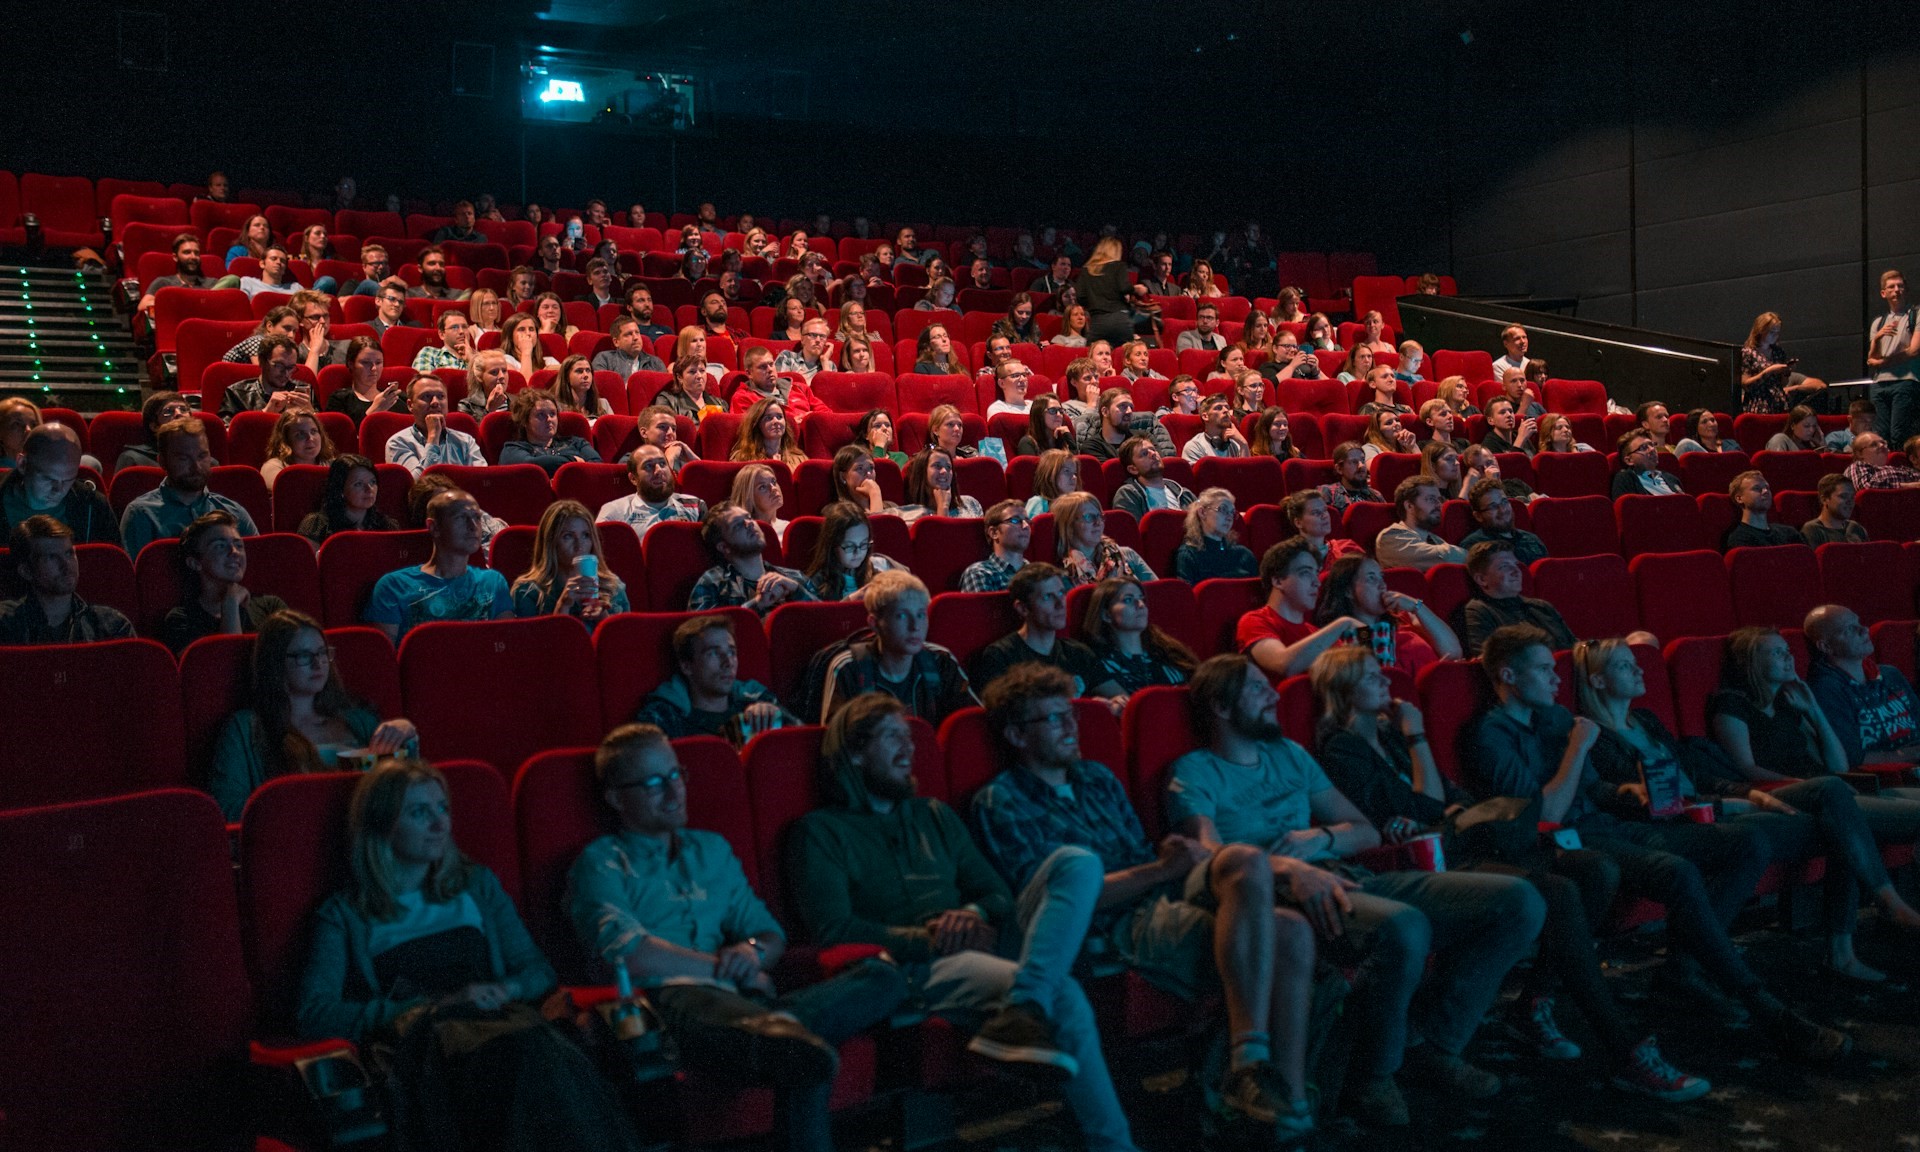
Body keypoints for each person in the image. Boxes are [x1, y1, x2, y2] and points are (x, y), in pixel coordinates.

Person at [1313, 646, 1710, 1100]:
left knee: (1595, 870)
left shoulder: (1389, 734)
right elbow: (1423, 806)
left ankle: (1536, 1002)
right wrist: (1419, 739)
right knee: (1557, 893)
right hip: (1438, 860)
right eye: (1370, 677)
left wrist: (1440, 793)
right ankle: (1624, 1047)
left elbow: (1451, 796)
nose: (1386, 681)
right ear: (1342, 691)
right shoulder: (1343, 748)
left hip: (1472, 840)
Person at [1169, 652, 1550, 1121]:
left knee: (1519, 901)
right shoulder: (1194, 771)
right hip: (1280, 895)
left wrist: (1322, 837)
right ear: (1221, 707)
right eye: (1255, 688)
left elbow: (1365, 831)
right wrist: (1289, 868)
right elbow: (1211, 860)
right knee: (1405, 927)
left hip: (1349, 873)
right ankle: (1375, 1075)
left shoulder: (1290, 755)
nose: (1273, 695)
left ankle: (1435, 1043)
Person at [968, 667, 1326, 1142]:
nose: (1072, 727)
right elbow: (1062, 903)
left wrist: (1172, 861)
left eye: (1071, 715)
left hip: (1160, 891)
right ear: (1016, 735)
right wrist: (1161, 870)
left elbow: (1142, 856)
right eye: (1054, 720)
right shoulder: (1002, 802)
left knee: (1246, 861)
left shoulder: (1095, 777)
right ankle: (1265, 1092)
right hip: (1116, 923)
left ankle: (1279, 1092)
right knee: (1289, 932)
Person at [1466, 625, 1850, 1061]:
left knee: (1745, 841)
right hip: (1561, 844)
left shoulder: (1554, 718)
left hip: (1607, 826)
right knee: (1677, 871)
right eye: (1542, 670)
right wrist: (1577, 748)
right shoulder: (1492, 735)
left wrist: (1630, 793)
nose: (1556, 680)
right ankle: (1765, 1007)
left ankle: (1684, 971)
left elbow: (1593, 792)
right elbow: (1547, 814)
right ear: (1509, 677)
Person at [787, 696, 1147, 1152]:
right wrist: (930, 938)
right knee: (1065, 994)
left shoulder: (933, 814)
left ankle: (1025, 1002)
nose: (909, 749)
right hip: (921, 964)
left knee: (1077, 862)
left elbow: (996, 894)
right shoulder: (819, 832)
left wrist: (973, 915)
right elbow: (834, 930)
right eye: (892, 737)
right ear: (855, 753)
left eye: (910, 737)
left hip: (989, 938)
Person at [570, 725, 906, 1152]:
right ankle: (782, 1036)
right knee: (804, 1057)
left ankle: (780, 1029)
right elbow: (629, 955)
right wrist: (721, 968)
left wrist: (750, 955)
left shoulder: (711, 850)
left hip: (743, 1001)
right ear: (616, 798)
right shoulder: (601, 863)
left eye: (676, 775)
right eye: (654, 783)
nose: (674, 792)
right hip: (672, 1005)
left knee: (883, 975)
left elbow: (768, 935)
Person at [299, 761, 645, 1152]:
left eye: (442, 808)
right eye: (419, 812)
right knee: (531, 1056)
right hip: (428, 1046)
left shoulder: (475, 885)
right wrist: (427, 1007)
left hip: (504, 1024)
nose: (440, 823)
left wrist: (505, 987)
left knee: (538, 1051)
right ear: (381, 826)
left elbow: (537, 971)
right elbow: (315, 1012)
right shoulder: (344, 914)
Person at [1577, 632, 1920, 987]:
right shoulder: (1594, 737)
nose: (1638, 672)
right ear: (1597, 680)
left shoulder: (1645, 721)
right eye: (1624, 666)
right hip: (1695, 821)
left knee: (1837, 806)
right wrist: (1731, 802)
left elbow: (1702, 775)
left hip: (1728, 804)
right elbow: (1649, 803)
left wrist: (1752, 796)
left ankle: (1859, 933)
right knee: (1838, 816)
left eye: (1636, 664)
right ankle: (1854, 937)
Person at [206, 610, 417, 819]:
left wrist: (406, 737)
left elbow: (406, 790)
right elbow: (227, 809)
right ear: (275, 662)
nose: (318, 664)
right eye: (304, 656)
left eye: (322, 653)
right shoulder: (245, 729)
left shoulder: (358, 720)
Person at [816, 570, 976, 724]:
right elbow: (836, 744)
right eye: (902, 616)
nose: (915, 627)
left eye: (921, 615)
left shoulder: (940, 661)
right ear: (874, 623)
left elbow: (969, 724)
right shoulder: (849, 668)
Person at [968, 562, 1125, 706]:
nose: (1060, 604)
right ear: (1022, 608)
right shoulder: (1001, 656)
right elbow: (1004, 716)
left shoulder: (1077, 652)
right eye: (1048, 597)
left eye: (1062, 593)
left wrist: (1114, 705)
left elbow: (1120, 697)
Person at [366, 488, 513, 642]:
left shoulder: (493, 582)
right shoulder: (394, 586)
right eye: (461, 517)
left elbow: (506, 649)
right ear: (434, 527)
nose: (473, 526)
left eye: (477, 517)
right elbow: (386, 658)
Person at [633, 616, 792, 743]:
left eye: (731, 652)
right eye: (714, 653)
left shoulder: (757, 701)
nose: (728, 663)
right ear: (687, 666)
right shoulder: (664, 718)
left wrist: (777, 716)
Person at [120, 417, 258, 557]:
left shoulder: (233, 512)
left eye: (202, 456)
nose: (196, 466)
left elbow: (258, 568)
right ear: (162, 462)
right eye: (183, 458)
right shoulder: (141, 514)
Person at [1316, 553, 1462, 679]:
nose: (1382, 585)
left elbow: (1453, 652)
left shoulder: (1403, 617)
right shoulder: (1345, 637)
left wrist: (1416, 606)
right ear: (1348, 591)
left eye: (1381, 577)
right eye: (1371, 578)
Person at [157, 510, 286, 652]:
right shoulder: (181, 620)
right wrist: (230, 603)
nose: (234, 552)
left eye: (238, 545)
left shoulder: (270, 607)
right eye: (220, 546)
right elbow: (227, 665)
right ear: (195, 563)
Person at [0, 516, 134, 644]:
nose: (66, 565)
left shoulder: (112, 626)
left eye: (69, 553)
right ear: (26, 571)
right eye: (52, 557)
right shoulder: (5, 623)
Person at [509, 499, 629, 625]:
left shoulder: (612, 587)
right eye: (568, 536)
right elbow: (535, 643)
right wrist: (563, 607)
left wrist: (603, 618)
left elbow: (624, 642)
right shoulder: (527, 591)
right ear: (551, 543)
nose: (579, 545)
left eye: (586, 535)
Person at [687, 502, 814, 616]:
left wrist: (797, 591)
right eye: (737, 525)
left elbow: (828, 620)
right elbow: (704, 633)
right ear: (724, 547)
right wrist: (757, 604)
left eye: (748, 518)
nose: (750, 524)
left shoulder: (794, 578)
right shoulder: (712, 583)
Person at [0, 423, 117, 545]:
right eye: (48, 479)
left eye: (68, 480)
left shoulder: (93, 506)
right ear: (22, 464)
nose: (58, 490)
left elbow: (111, 561)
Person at [1082, 577, 1197, 693]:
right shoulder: (1098, 664)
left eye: (1141, 599)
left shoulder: (1168, 651)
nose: (1140, 605)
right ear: (1106, 615)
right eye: (1128, 600)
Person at [1459, 540, 1576, 652]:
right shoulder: (1479, 611)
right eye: (1504, 566)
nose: (1516, 571)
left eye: (1515, 564)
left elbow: (1574, 647)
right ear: (1482, 579)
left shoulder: (1541, 606)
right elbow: (1490, 662)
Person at [596, 445, 704, 543]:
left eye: (662, 464)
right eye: (648, 466)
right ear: (633, 479)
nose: (659, 470)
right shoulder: (614, 512)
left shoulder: (695, 505)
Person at [383, 376, 485, 477]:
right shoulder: (398, 442)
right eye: (426, 396)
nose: (435, 402)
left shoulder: (465, 441)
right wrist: (433, 438)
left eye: (441, 396)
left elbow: (481, 480)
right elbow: (415, 485)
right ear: (410, 405)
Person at [802, 500, 903, 601]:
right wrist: (849, 600)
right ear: (832, 545)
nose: (858, 552)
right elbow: (822, 615)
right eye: (849, 546)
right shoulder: (818, 583)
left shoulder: (875, 570)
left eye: (863, 544)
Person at [1051, 490, 1154, 586]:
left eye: (1100, 516)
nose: (1098, 523)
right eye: (1089, 517)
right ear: (1069, 524)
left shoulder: (1127, 555)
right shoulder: (1062, 573)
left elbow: (1156, 595)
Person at [296, 455, 396, 546]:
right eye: (358, 484)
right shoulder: (316, 525)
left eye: (372, 482)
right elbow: (306, 564)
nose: (369, 489)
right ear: (340, 489)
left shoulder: (387, 525)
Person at [1869, 269, 1920, 447]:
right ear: (1884, 293)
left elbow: (1914, 350)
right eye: (1891, 286)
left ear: (1906, 289)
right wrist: (1876, 338)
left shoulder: (1916, 315)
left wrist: (1883, 362)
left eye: (1900, 286)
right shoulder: (1879, 322)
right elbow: (1871, 358)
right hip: (1880, 384)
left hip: (1906, 381)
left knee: (1900, 434)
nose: (1896, 289)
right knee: (1881, 436)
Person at [1374, 477, 1466, 572]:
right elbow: (1446, 556)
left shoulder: (1435, 539)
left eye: (1439, 500)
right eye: (1431, 499)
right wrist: (1476, 558)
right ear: (1409, 506)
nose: (1439, 505)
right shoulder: (1390, 537)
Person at [1739, 311, 1826, 413]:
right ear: (1761, 330)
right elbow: (1746, 384)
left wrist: (1786, 372)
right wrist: (1769, 371)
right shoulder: (1748, 353)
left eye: (1777, 332)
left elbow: (1782, 383)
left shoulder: (1778, 351)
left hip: (1778, 400)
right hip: (1758, 402)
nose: (1775, 336)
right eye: (1772, 332)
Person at [499, 390, 598, 475]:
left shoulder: (577, 443)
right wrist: (573, 460)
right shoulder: (512, 449)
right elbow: (531, 466)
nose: (549, 419)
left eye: (552, 414)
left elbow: (597, 466)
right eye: (541, 415)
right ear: (525, 421)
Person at [1172, 487, 1255, 581]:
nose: (1229, 518)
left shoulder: (1243, 555)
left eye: (1232, 513)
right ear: (1202, 512)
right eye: (1223, 509)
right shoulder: (1189, 555)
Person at [1456, 478, 1546, 564]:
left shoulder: (1532, 540)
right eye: (1493, 506)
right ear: (1478, 516)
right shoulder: (1474, 546)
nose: (1502, 510)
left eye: (1504, 502)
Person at [1109, 437, 1194, 520]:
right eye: (1144, 453)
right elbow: (1131, 532)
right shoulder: (1128, 495)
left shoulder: (1183, 492)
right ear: (1133, 469)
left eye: (1153, 450)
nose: (1153, 454)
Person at [1077, 237, 1139, 346]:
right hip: (1120, 320)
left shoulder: (1086, 270)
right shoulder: (1118, 266)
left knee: (1094, 357)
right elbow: (1124, 288)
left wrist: (1094, 302)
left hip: (1098, 320)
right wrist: (1136, 289)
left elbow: (1080, 297)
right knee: (1125, 356)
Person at [1721, 470, 1804, 550]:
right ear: (1739, 498)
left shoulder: (1789, 533)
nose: (1765, 491)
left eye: (1767, 487)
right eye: (1757, 488)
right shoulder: (1739, 537)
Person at [259, 409, 336, 491]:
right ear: (286, 440)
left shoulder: (333, 465)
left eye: (313, 431)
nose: (311, 438)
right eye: (300, 434)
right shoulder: (274, 466)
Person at [900, 448, 983, 523]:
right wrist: (943, 508)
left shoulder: (970, 504)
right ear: (922, 472)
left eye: (948, 467)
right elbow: (942, 539)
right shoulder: (908, 516)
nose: (944, 471)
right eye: (937, 466)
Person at [1318, 441, 1384, 516]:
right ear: (1339, 469)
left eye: (1362, 460)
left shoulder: (1376, 495)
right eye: (1354, 462)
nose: (1361, 466)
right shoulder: (1327, 493)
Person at [591, 316, 666, 381]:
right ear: (616, 342)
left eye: (637, 332)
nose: (635, 338)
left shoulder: (656, 363)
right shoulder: (604, 359)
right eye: (629, 334)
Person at [1180, 392, 1249, 462]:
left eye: (1227, 407)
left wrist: (1244, 444)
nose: (1225, 410)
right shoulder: (1195, 447)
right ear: (1205, 416)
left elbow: (1246, 471)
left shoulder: (1234, 444)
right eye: (1218, 408)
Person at [1801, 473, 1867, 545]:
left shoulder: (1856, 528)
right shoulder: (1812, 530)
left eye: (1852, 497)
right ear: (1824, 499)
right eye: (1843, 496)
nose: (1850, 502)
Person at [656, 353, 724, 422]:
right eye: (692, 372)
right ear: (680, 377)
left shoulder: (719, 403)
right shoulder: (668, 401)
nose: (699, 376)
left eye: (702, 371)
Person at [1610, 433, 1683, 497]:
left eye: (1652, 445)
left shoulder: (1671, 478)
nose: (1652, 449)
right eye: (1643, 448)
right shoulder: (1625, 479)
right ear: (1629, 460)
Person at [1844, 431, 1920, 490]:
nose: (1881, 445)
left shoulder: (1900, 468)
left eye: (1883, 442)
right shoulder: (1856, 466)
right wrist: (1911, 485)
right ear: (1859, 453)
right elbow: (1867, 487)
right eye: (1873, 445)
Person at [1023, 449, 1080, 517]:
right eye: (1066, 471)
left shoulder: (1078, 504)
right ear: (1050, 475)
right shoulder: (1039, 503)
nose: (1074, 477)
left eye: (1075, 473)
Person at [1672, 409, 1737, 454]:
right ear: (1695, 428)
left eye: (1713, 420)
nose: (1711, 424)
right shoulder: (1692, 449)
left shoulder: (1731, 444)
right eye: (1704, 422)